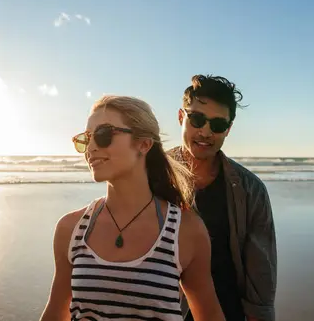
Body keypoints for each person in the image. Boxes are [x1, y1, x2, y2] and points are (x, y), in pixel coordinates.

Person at [40, 95, 226, 321]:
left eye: (103, 135)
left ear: (144, 144)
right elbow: (56, 313)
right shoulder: (71, 229)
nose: (91, 147)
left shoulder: (186, 230)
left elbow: (209, 316)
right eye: (86, 139)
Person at [169, 75, 277, 321]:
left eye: (217, 125)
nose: (205, 132)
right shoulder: (151, 178)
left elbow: (261, 269)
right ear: (180, 117)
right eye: (196, 119)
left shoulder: (251, 190)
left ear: (228, 129)